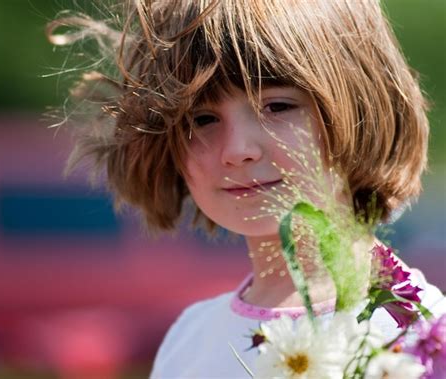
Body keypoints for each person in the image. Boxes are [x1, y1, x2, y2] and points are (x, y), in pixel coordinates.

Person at [47, 0, 446, 377]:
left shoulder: (421, 336)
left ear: (361, 108)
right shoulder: (189, 340)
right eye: (202, 120)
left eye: (277, 107)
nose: (237, 150)